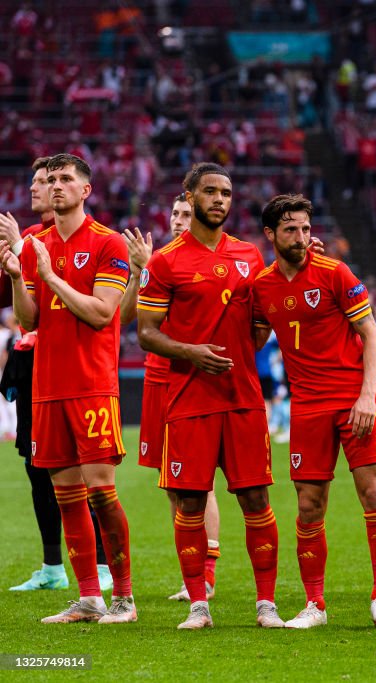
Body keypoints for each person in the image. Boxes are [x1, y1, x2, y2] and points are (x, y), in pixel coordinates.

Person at [137, 162, 281, 630]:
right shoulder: (165, 261)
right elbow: (146, 333)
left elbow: (262, 323)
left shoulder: (250, 255)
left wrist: (248, 341)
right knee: (190, 502)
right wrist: (191, 352)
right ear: (191, 195)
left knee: (256, 499)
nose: (220, 200)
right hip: (188, 399)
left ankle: (266, 604)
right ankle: (199, 604)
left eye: (227, 193)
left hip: (242, 398)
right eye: (211, 192)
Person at [253, 194, 376, 628]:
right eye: (291, 230)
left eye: (305, 228)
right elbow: (253, 341)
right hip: (307, 408)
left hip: (354, 399)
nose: (301, 237)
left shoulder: (335, 272)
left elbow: (371, 335)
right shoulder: (261, 287)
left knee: (373, 493)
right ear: (271, 235)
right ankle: (315, 605)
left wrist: (366, 397)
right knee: (309, 505)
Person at [0, 153, 135, 624]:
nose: (56, 186)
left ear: (86, 190)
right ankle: (88, 598)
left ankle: (123, 598)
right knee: (66, 496)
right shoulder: (37, 243)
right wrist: (20, 277)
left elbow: (102, 313)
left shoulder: (108, 243)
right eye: (50, 179)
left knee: (100, 493)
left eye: (66, 179)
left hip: (92, 385)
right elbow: (31, 318)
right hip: (48, 388)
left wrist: (51, 276)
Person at [120, 192, 221, 602]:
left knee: (199, 481)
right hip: (157, 378)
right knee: (170, 481)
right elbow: (125, 318)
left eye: (186, 212)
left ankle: (207, 573)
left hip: (194, 379)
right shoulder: (159, 263)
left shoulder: (202, 261)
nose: (180, 219)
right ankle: (191, 571)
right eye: (175, 213)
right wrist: (135, 273)